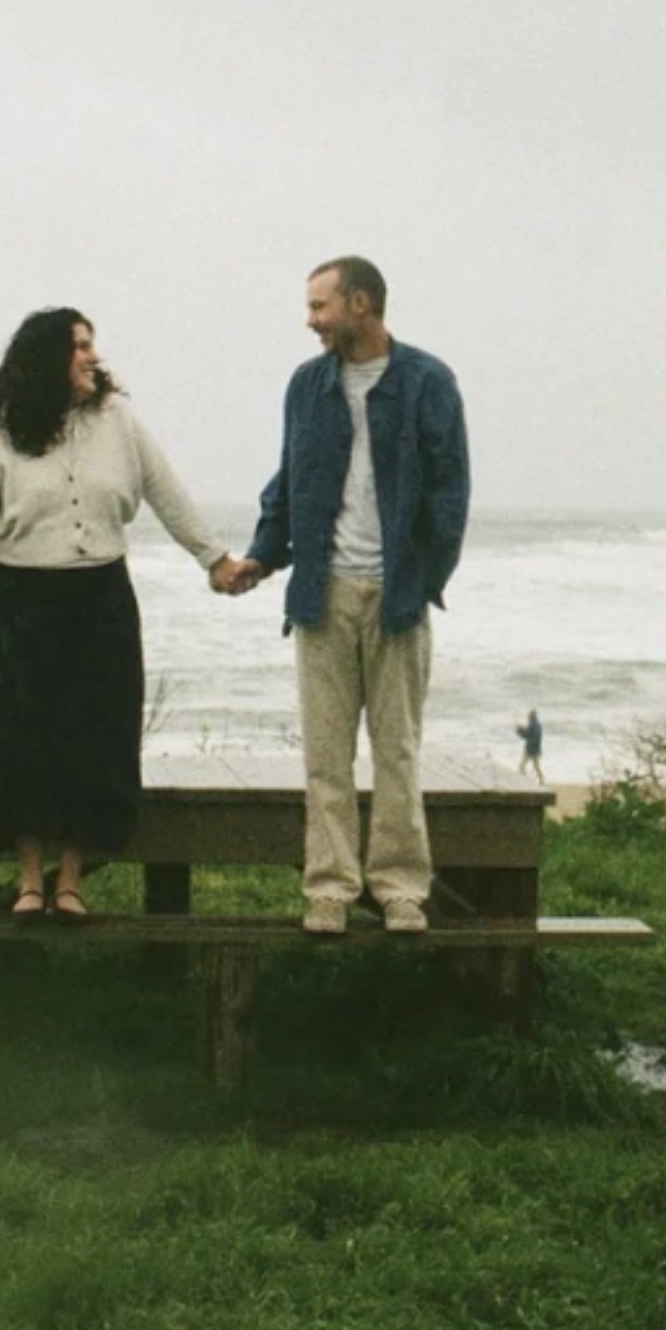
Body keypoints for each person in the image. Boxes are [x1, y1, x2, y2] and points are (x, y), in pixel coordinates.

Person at [0, 307, 238, 919]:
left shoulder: (118, 418)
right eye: (79, 346)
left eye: (92, 344)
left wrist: (213, 558)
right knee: (22, 741)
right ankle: (30, 880)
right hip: (22, 600)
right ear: (46, 357)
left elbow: (165, 489)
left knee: (95, 739)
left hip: (101, 597)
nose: (93, 356)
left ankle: (72, 881)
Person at [224, 257, 469, 935]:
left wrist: (422, 580)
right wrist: (263, 556)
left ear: (360, 303)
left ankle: (400, 889)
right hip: (321, 595)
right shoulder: (307, 386)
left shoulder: (427, 381)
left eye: (318, 306)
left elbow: (450, 493)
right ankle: (329, 889)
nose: (310, 321)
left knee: (397, 752)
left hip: (397, 598)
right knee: (325, 757)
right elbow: (288, 480)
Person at [517, 707, 545, 782]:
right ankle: (541, 781)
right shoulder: (534, 725)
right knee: (536, 767)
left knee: (522, 766)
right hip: (534, 750)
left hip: (531, 750)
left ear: (532, 716)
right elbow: (528, 735)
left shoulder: (534, 725)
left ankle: (524, 780)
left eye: (529, 716)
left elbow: (531, 737)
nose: (528, 717)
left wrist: (521, 731)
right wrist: (521, 730)